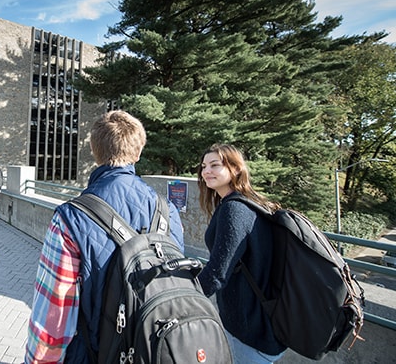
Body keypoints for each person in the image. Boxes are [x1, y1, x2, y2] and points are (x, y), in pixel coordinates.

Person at [24, 110, 184, 363]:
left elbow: (54, 312)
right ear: (138, 152)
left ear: (94, 150)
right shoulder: (167, 211)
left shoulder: (70, 217)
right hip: (154, 350)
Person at [196, 143, 286, 363]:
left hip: (250, 333)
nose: (206, 171)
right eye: (204, 165)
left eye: (215, 165)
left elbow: (218, 273)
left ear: (236, 169)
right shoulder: (250, 203)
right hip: (262, 325)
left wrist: (184, 296)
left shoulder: (233, 210)